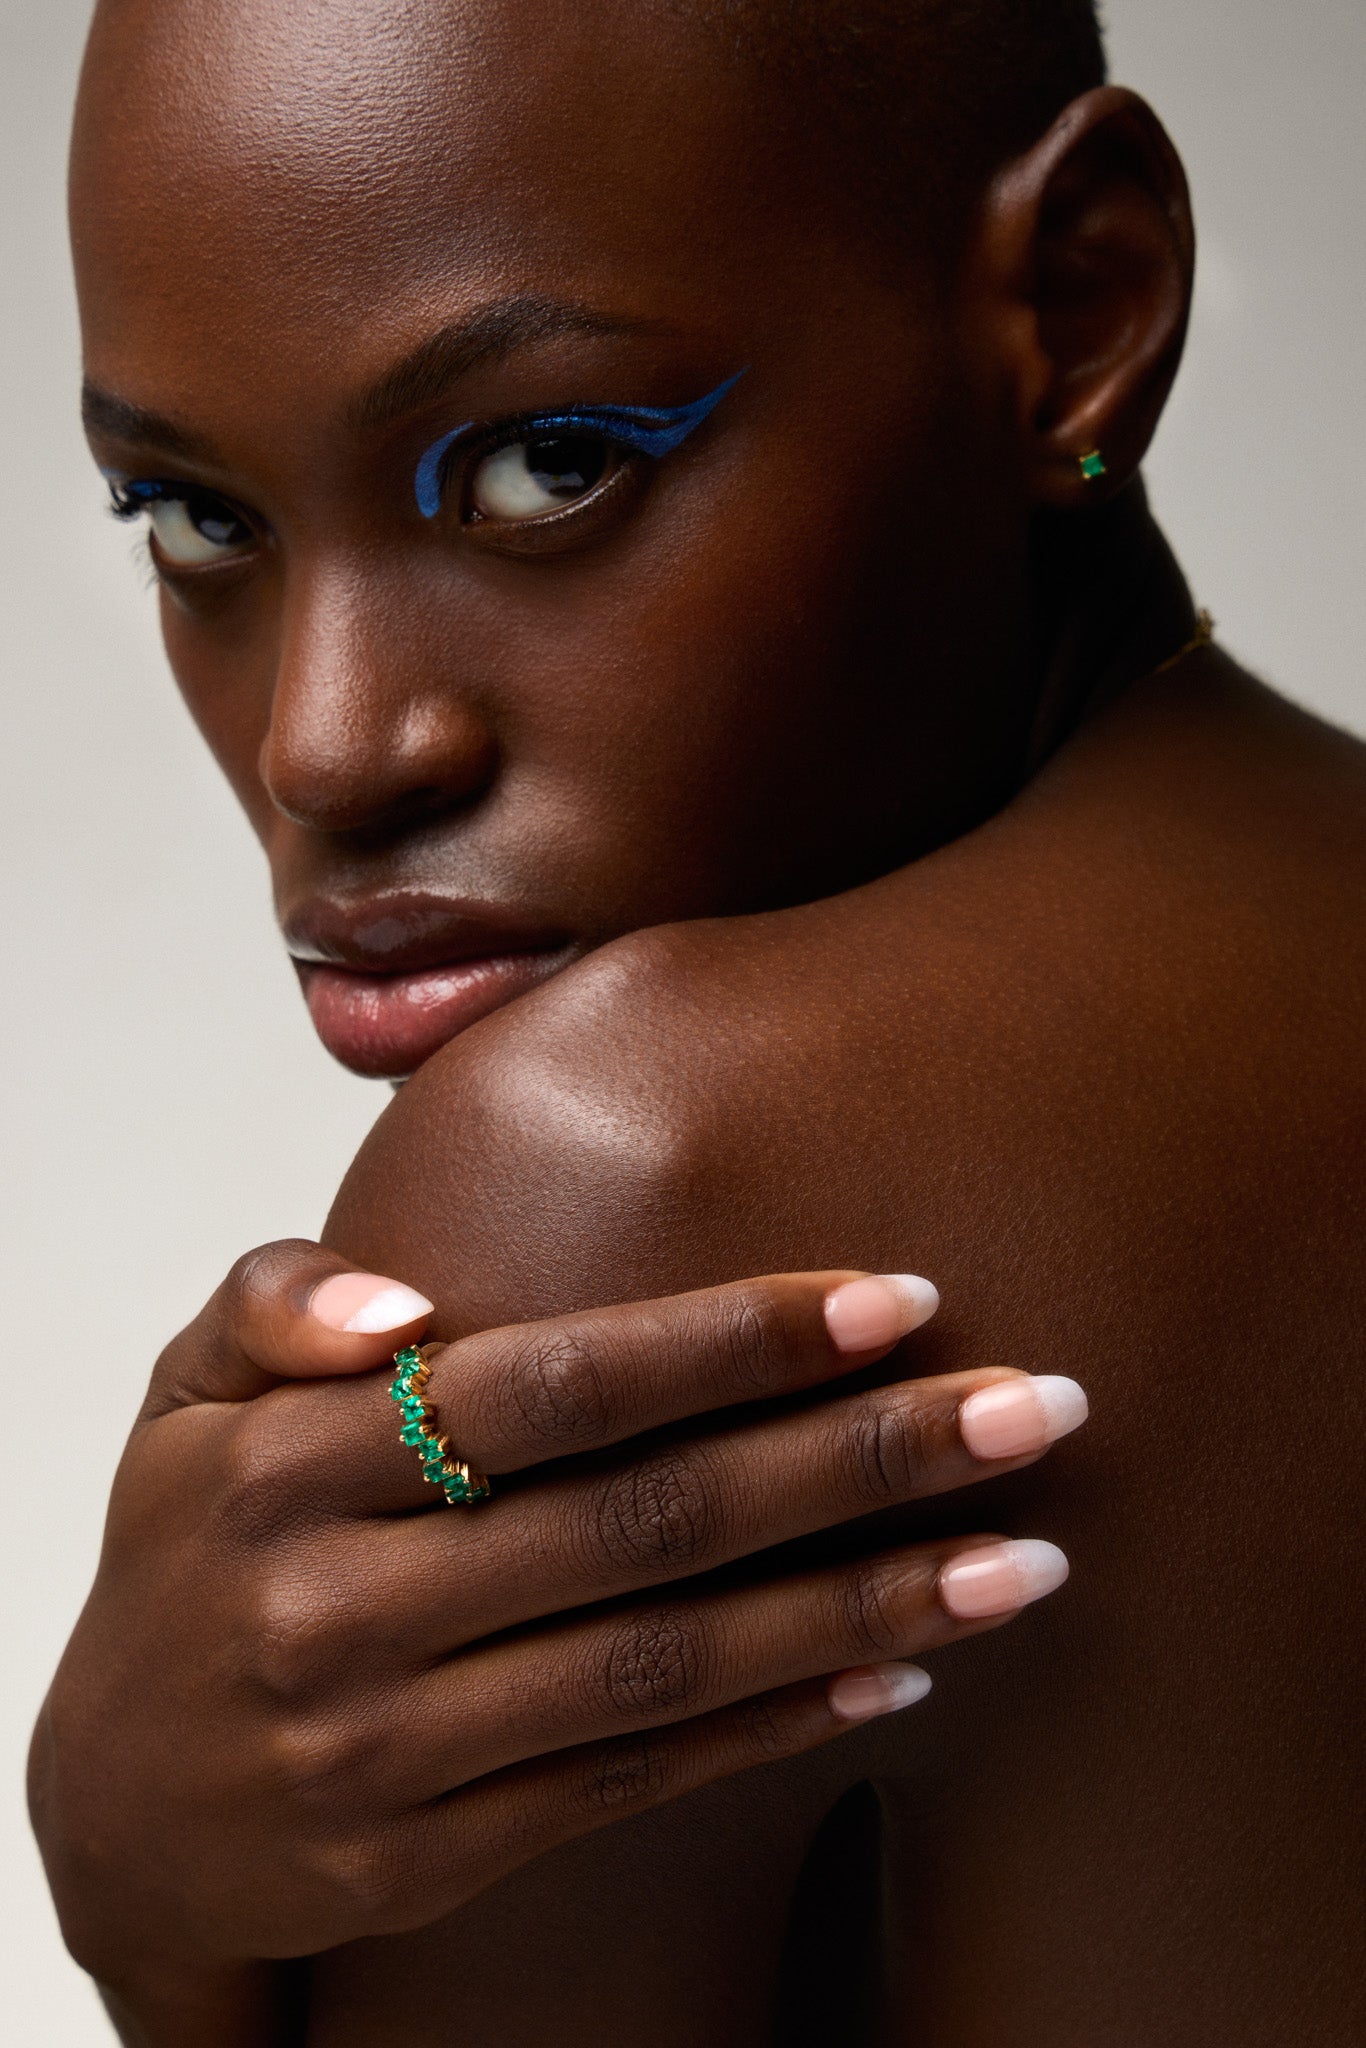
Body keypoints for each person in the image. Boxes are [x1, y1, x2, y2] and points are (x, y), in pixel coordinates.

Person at [31, 0, 1363, 2043]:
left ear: (1076, 303)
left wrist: (145, 1907)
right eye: (198, 518)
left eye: (543, 464)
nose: (329, 746)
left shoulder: (637, 1166)